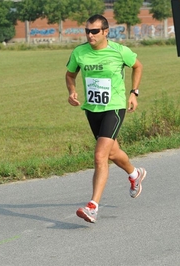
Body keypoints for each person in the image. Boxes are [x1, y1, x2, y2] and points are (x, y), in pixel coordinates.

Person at [65, 14, 147, 223]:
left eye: (94, 31)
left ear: (105, 31)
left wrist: (134, 93)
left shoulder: (119, 51)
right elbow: (70, 74)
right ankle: (134, 173)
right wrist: (72, 91)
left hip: (115, 107)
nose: (90, 35)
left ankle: (92, 206)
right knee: (112, 153)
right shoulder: (79, 52)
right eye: (87, 31)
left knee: (100, 155)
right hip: (92, 109)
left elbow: (138, 66)